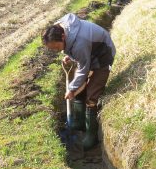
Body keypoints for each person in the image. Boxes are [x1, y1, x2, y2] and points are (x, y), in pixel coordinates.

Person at [42, 13, 116, 150]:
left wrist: (71, 89)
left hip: (103, 55)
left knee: (91, 95)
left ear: (63, 37)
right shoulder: (61, 26)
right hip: (89, 52)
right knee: (79, 90)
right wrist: (69, 55)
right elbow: (75, 51)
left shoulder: (80, 43)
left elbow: (83, 69)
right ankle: (79, 122)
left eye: (57, 48)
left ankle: (91, 136)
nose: (57, 51)